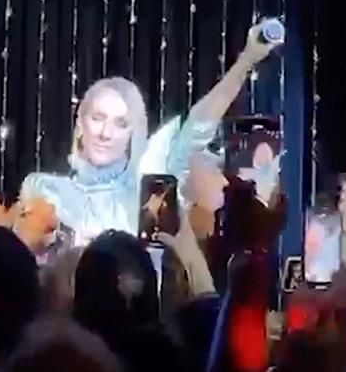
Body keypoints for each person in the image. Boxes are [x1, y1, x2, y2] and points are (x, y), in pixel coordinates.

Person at [18, 24, 281, 248]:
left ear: (132, 135)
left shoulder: (145, 195)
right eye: (97, 118)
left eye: (120, 124)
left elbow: (199, 127)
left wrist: (246, 60)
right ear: (80, 124)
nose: (105, 133)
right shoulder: (44, 188)